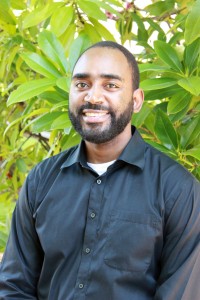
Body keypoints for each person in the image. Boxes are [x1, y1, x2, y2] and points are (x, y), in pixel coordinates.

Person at [0, 41, 200, 300]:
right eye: (82, 85)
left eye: (111, 85)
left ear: (136, 100)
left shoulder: (177, 189)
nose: (93, 97)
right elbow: (14, 286)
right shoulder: (41, 180)